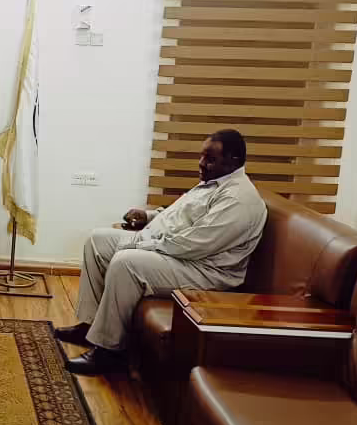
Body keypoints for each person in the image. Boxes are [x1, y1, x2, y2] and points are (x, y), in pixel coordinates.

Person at [56, 129, 268, 375]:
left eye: (210, 159)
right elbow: (181, 215)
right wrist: (148, 217)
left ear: (234, 160)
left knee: (127, 263)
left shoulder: (239, 199)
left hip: (205, 271)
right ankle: (91, 326)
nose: (201, 163)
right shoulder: (215, 182)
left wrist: (141, 244)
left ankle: (110, 353)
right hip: (175, 252)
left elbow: (195, 244)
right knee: (98, 241)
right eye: (202, 156)